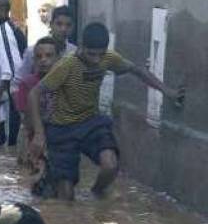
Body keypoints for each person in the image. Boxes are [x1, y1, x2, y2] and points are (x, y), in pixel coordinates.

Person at [28, 23, 185, 200]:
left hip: (91, 122)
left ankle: (96, 196)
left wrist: (168, 91)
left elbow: (137, 71)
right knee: (66, 196)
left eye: (100, 54)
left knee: (110, 165)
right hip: (62, 129)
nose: (96, 60)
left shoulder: (109, 58)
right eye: (91, 54)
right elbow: (34, 94)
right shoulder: (67, 65)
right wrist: (39, 134)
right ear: (81, 46)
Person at [0, 0, 27, 146]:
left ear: (2, 10)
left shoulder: (3, 31)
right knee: (3, 145)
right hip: (6, 96)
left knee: (8, 145)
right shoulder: (5, 29)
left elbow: (9, 69)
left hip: (8, 96)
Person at [13, 37, 59, 177]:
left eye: (49, 56)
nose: (43, 60)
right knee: (28, 179)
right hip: (31, 138)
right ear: (34, 60)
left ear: (58, 58)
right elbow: (25, 118)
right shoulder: (27, 84)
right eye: (39, 57)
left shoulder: (65, 83)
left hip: (57, 139)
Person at [18, 5, 77, 82]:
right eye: (59, 24)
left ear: (73, 28)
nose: (63, 29)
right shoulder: (33, 51)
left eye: (68, 25)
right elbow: (19, 81)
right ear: (51, 25)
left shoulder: (74, 53)